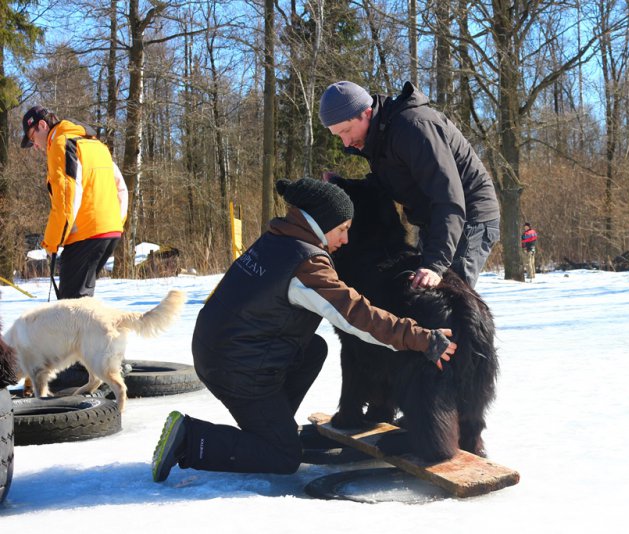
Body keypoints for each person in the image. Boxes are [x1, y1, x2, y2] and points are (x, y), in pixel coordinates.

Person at [151, 178, 457, 482]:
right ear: (324, 224)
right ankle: (190, 438)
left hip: (220, 349)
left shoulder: (278, 239)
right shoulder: (307, 264)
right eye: (343, 230)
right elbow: (356, 315)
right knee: (284, 457)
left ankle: (270, 426)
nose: (346, 240)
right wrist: (422, 338)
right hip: (236, 367)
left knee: (313, 350)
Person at [319, 80, 500, 290]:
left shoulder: (414, 128)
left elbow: (448, 196)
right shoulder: (381, 137)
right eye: (338, 135)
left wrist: (435, 264)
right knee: (422, 294)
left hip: (468, 216)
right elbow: (385, 184)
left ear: (366, 113)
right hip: (435, 219)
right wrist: (342, 185)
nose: (346, 142)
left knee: (447, 299)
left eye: (346, 131)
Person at [20, 105, 128, 299]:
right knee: (80, 309)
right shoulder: (95, 144)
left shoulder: (61, 144)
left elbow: (66, 198)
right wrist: (115, 223)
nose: (35, 146)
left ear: (42, 125)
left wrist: (52, 242)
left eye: (32, 138)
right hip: (109, 232)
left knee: (70, 310)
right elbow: (121, 187)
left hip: (86, 235)